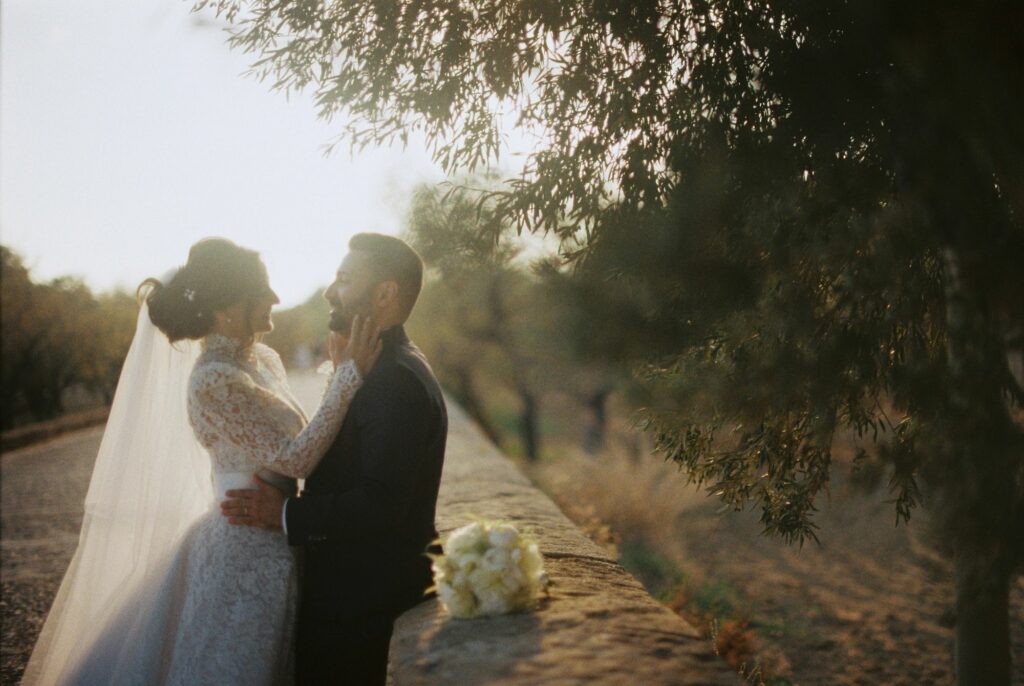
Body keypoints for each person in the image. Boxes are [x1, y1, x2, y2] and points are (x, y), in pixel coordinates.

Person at [22, 237, 381, 685]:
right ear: (227, 307)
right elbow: (294, 459)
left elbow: (292, 435)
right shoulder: (212, 380)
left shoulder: (262, 359)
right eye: (263, 290)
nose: (276, 298)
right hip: (243, 552)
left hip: (275, 539)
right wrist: (348, 377)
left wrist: (337, 373)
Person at [222, 233, 448, 685]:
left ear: (385, 294)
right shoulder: (379, 366)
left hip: (362, 608)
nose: (329, 291)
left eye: (344, 279)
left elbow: (382, 503)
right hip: (354, 599)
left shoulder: (394, 381)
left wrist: (285, 513)